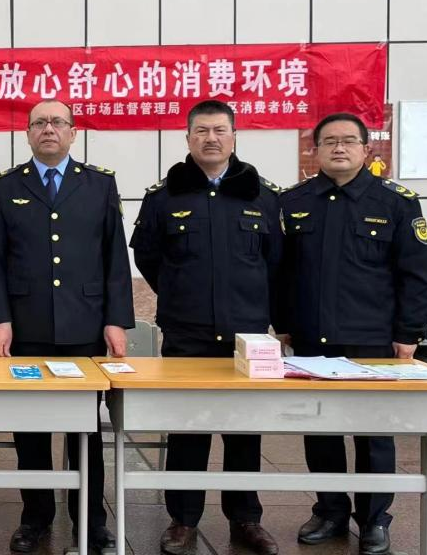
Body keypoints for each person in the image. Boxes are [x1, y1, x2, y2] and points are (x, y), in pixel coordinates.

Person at [276, 112, 427, 555]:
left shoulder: (396, 203)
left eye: (349, 140)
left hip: (373, 339)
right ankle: (330, 510)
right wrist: (283, 323)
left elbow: (417, 273)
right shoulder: (293, 202)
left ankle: (374, 518)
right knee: (320, 428)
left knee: (374, 432)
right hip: (311, 337)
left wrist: (409, 332)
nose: (339, 148)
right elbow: (280, 271)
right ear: (316, 150)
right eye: (329, 141)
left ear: (367, 149)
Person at [0, 99, 134, 553]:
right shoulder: (6, 187)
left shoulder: (99, 183)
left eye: (57, 122)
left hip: (85, 326)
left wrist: (116, 320)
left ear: (73, 132)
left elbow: (114, 257)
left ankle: (91, 521)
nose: (49, 129)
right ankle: (35, 518)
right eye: (40, 123)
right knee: (31, 430)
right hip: (25, 328)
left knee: (86, 429)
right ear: (28, 133)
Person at [130, 100, 282, 555]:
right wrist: (181, 294)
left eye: (219, 130)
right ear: (188, 138)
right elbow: (148, 256)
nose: (210, 138)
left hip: (246, 335)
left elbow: (276, 262)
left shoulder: (263, 195)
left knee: (244, 432)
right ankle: (183, 519)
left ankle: (246, 519)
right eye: (201, 131)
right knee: (188, 429)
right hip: (187, 332)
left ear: (234, 136)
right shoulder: (164, 197)